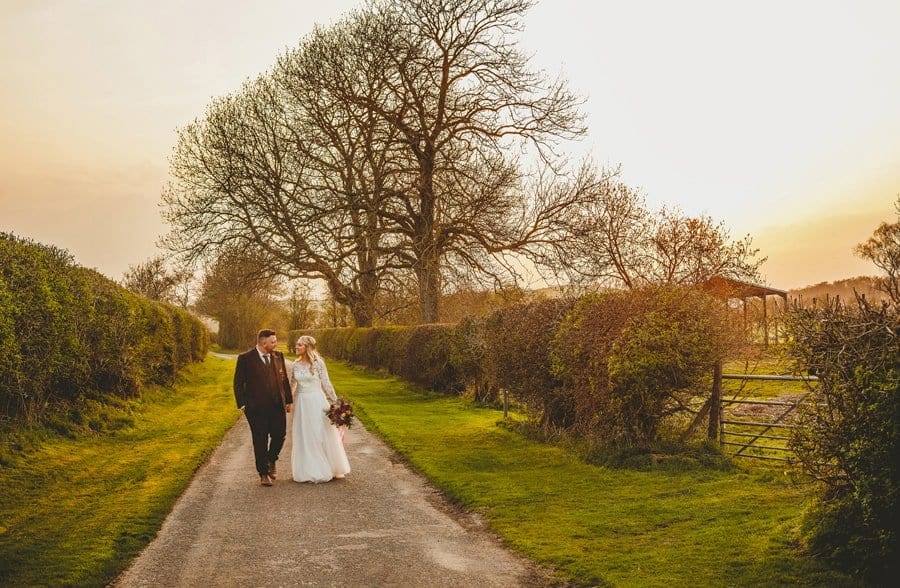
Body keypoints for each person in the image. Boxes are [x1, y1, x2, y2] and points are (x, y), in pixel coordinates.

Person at [233, 329, 293, 486]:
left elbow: (284, 379)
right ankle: (264, 473)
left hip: (276, 405)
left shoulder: (278, 356)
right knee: (260, 440)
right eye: (273, 342)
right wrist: (243, 405)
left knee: (280, 435)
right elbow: (238, 383)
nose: (276, 344)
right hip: (255, 409)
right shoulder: (245, 359)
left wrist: (288, 400)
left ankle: (271, 459)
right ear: (263, 343)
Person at [290, 335, 350, 483]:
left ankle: (329, 466)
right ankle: (309, 468)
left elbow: (326, 383)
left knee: (319, 433)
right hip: (302, 403)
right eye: (297, 345)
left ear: (307, 348)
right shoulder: (295, 365)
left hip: (317, 401)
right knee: (305, 435)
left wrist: (336, 402)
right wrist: (286, 401)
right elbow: (292, 386)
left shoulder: (318, 364)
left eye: (299, 345)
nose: (296, 347)